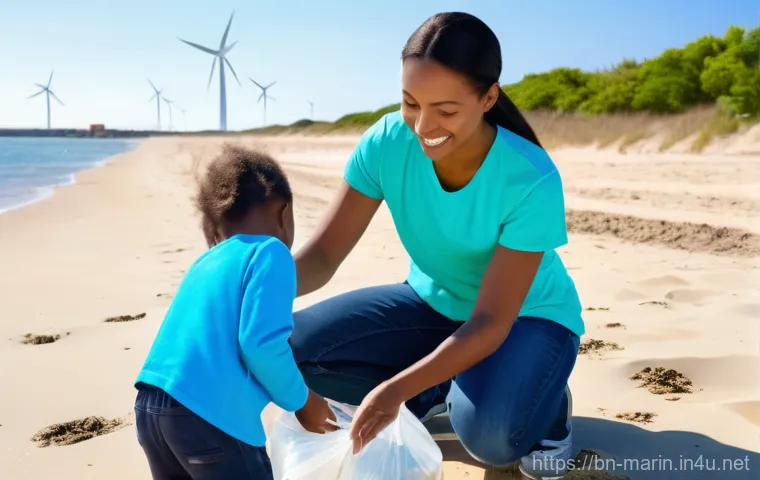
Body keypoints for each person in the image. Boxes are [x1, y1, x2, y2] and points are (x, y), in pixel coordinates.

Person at [289, 11, 584, 480]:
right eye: (410, 103)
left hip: (525, 319)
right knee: (287, 349)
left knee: (490, 437)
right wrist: (248, 290)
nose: (423, 125)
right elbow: (322, 257)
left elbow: (490, 321)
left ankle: (548, 408)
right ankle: (434, 388)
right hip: (432, 302)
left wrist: (393, 391)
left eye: (445, 110)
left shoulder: (530, 177)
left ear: (489, 98)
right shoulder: (386, 142)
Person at [132, 144, 337, 480]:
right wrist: (304, 401)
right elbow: (261, 344)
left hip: (151, 407)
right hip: (209, 418)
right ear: (284, 213)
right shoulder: (270, 251)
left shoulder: (204, 264)